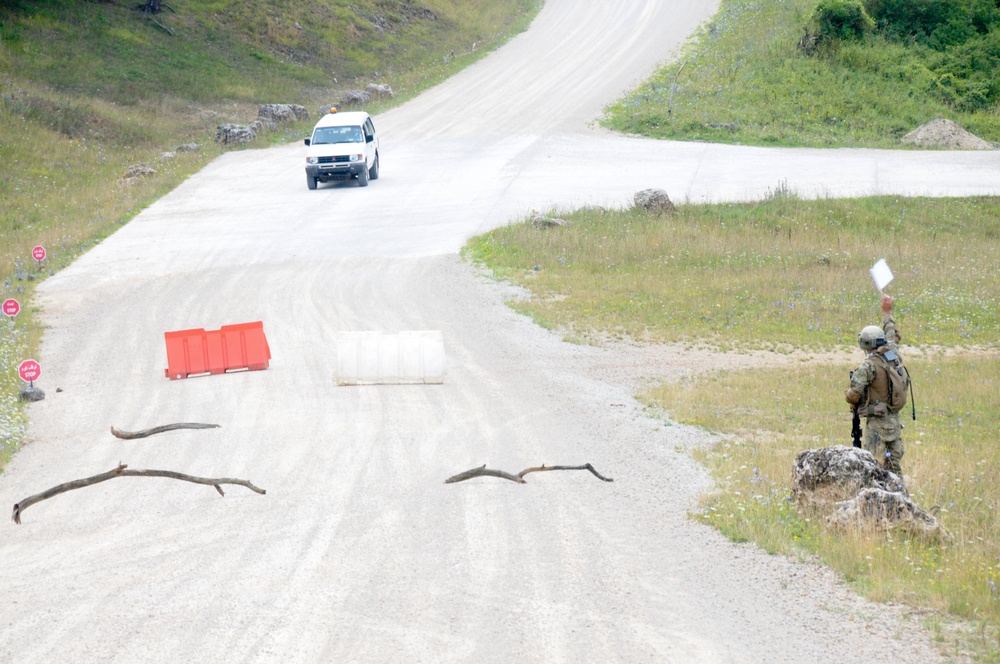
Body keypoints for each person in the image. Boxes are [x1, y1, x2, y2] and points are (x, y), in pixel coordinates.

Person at [845, 293, 905, 476]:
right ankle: (900, 499)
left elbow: (853, 394)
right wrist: (887, 312)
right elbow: (892, 334)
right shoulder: (893, 355)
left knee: (871, 468)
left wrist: (849, 396)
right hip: (894, 423)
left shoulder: (868, 366)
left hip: (876, 425)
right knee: (894, 468)